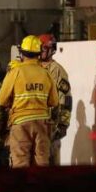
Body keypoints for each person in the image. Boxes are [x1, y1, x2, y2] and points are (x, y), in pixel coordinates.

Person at [0, 35, 59, 168]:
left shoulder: (15, 72)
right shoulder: (46, 73)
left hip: (21, 123)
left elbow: (1, 100)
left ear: (22, 53)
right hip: (42, 123)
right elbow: (54, 101)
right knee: (42, 162)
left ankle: (23, 189)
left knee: (21, 164)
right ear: (38, 53)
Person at [38, 33, 71, 164]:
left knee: (51, 163)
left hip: (52, 124)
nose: (41, 51)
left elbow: (66, 99)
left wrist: (63, 124)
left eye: (44, 48)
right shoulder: (32, 66)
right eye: (40, 48)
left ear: (52, 50)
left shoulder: (57, 71)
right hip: (36, 123)